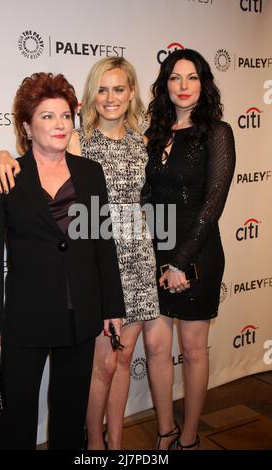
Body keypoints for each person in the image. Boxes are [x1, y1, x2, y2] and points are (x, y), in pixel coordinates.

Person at [0, 58, 160, 450]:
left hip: (80, 319)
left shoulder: (89, 172)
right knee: (17, 421)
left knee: (68, 420)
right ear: (28, 127)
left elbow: (104, 243)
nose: (61, 123)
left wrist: (112, 307)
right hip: (26, 318)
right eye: (48, 116)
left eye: (65, 115)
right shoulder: (7, 175)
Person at [143, 48, 236, 450]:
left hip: (197, 255)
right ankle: (166, 431)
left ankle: (190, 437)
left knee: (194, 350)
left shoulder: (217, 132)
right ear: (165, 84)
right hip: (154, 253)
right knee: (156, 347)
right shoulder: (154, 132)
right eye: (175, 78)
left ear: (204, 82)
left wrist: (180, 262)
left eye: (192, 77)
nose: (183, 86)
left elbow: (213, 203)